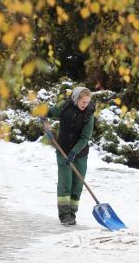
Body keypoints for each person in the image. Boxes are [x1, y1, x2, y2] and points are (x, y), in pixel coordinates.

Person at [44, 86, 95, 225]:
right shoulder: (65, 106)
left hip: (80, 154)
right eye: (83, 102)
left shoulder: (89, 115)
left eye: (88, 102)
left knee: (77, 185)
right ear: (76, 99)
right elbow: (50, 111)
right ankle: (64, 215)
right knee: (65, 182)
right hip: (63, 150)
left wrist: (74, 152)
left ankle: (72, 214)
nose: (86, 105)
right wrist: (44, 114)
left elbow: (85, 138)